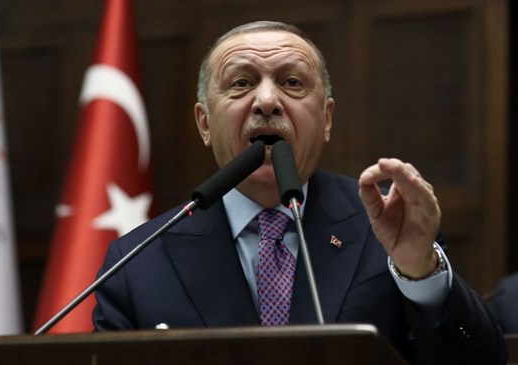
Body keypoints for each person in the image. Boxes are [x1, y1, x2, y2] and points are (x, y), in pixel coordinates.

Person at [92, 21, 506, 364]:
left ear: (326, 118)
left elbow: (481, 361)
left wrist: (422, 272)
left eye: (291, 82)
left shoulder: (388, 226)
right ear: (204, 123)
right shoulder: (137, 263)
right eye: (241, 83)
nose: (267, 101)